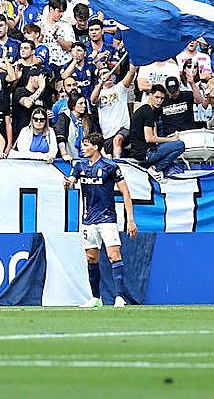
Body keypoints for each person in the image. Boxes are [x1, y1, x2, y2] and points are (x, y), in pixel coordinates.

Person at [66, 132, 138, 308]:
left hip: (107, 218)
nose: (82, 148)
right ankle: (96, 298)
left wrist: (130, 220)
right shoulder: (79, 165)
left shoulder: (110, 166)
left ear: (96, 147)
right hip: (88, 219)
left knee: (114, 255)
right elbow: (71, 182)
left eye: (85, 145)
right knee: (91, 258)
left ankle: (119, 297)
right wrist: (67, 183)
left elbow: (126, 192)